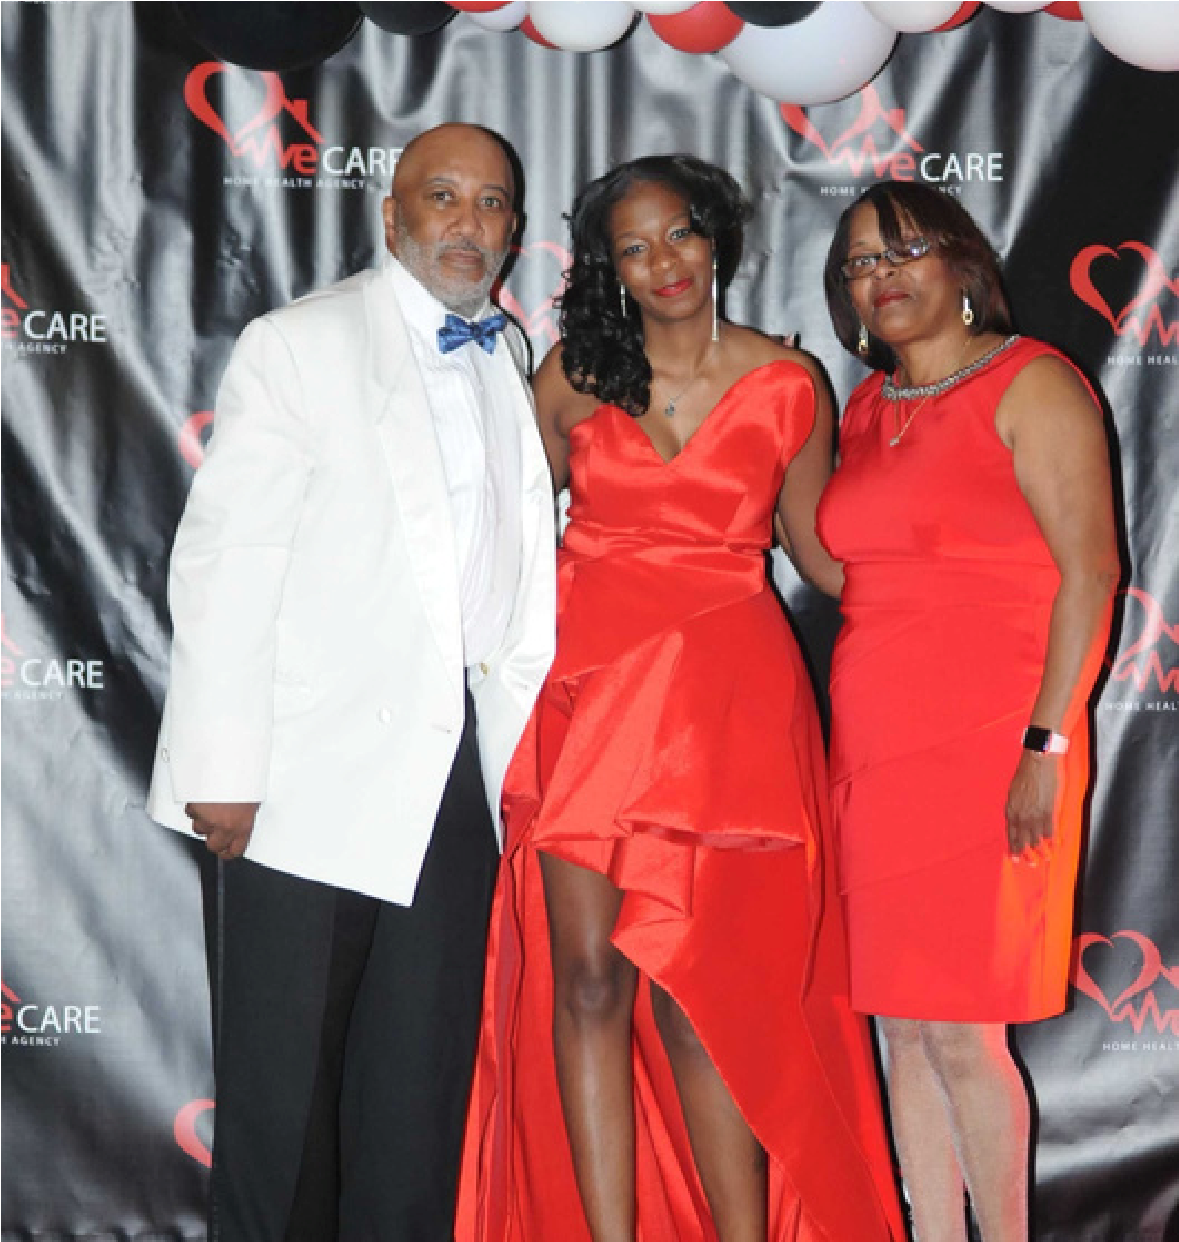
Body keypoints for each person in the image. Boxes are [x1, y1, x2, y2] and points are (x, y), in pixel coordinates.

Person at [457, 155, 905, 1241]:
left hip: (725, 711)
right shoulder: (572, 376)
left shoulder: (791, 384)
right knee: (586, 983)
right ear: (607, 268)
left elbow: (822, 559)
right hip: (587, 700)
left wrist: (960, 568)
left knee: (704, 995)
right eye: (634, 247)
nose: (663, 262)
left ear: (717, 240)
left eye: (680, 234)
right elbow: (489, 539)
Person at [146, 122, 556, 1241]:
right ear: (391, 215)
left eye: (491, 203)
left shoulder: (506, 355)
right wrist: (222, 766)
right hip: (303, 777)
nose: (468, 222)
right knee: (282, 1113)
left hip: (455, 771)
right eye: (443, 197)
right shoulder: (302, 343)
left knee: (415, 1105)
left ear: (514, 230)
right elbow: (228, 560)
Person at [816, 181, 1120, 1242]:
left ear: (960, 263)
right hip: (874, 748)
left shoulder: (1033, 381)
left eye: (902, 251)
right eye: (859, 263)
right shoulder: (865, 409)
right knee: (901, 1028)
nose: (881, 276)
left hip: (997, 744)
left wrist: (1048, 741)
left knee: (961, 1034)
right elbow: (853, 570)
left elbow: (1090, 573)